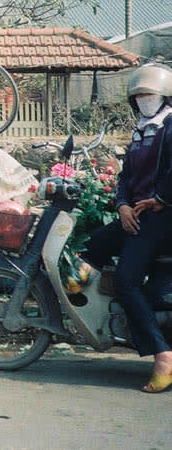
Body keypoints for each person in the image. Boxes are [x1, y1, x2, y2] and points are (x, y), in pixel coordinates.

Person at [83, 63, 172, 393]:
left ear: (164, 96)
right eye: (138, 96)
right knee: (92, 247)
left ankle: (163, 356)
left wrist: (160, 198)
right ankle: (114, 320)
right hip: (137, 215)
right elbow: (125, 178)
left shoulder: (169, 126)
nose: (143, 99)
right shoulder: (141, 131)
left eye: (148, 94)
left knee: (126, 280)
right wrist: (121, 206)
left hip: (163, 218)